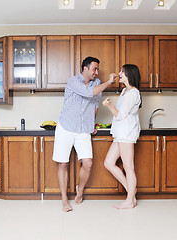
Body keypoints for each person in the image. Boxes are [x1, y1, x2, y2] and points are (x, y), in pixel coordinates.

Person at [53, 56, 115, 212]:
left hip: (83, 130)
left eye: (98, 69)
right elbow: (89, 94)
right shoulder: (73, 82)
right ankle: (64, 200)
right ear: (85, 69)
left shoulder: (97, 84)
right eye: (95, 69)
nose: (97, 72)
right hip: (65, 127)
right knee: (63, 164)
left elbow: (95, 105)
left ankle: (79, 190)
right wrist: (109, 82)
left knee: (88, 163)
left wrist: (91, 122)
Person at [102, 64, 142, 209]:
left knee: (128, 167)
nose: (119, 73)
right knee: (108, 163)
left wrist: (109, 105)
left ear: (129, 75)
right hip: (120, 134)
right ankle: (131, 190)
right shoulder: (125, 91)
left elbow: (120, 115)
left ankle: (129, 200)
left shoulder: (133, 94)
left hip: (126, 133)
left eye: (122, 72)